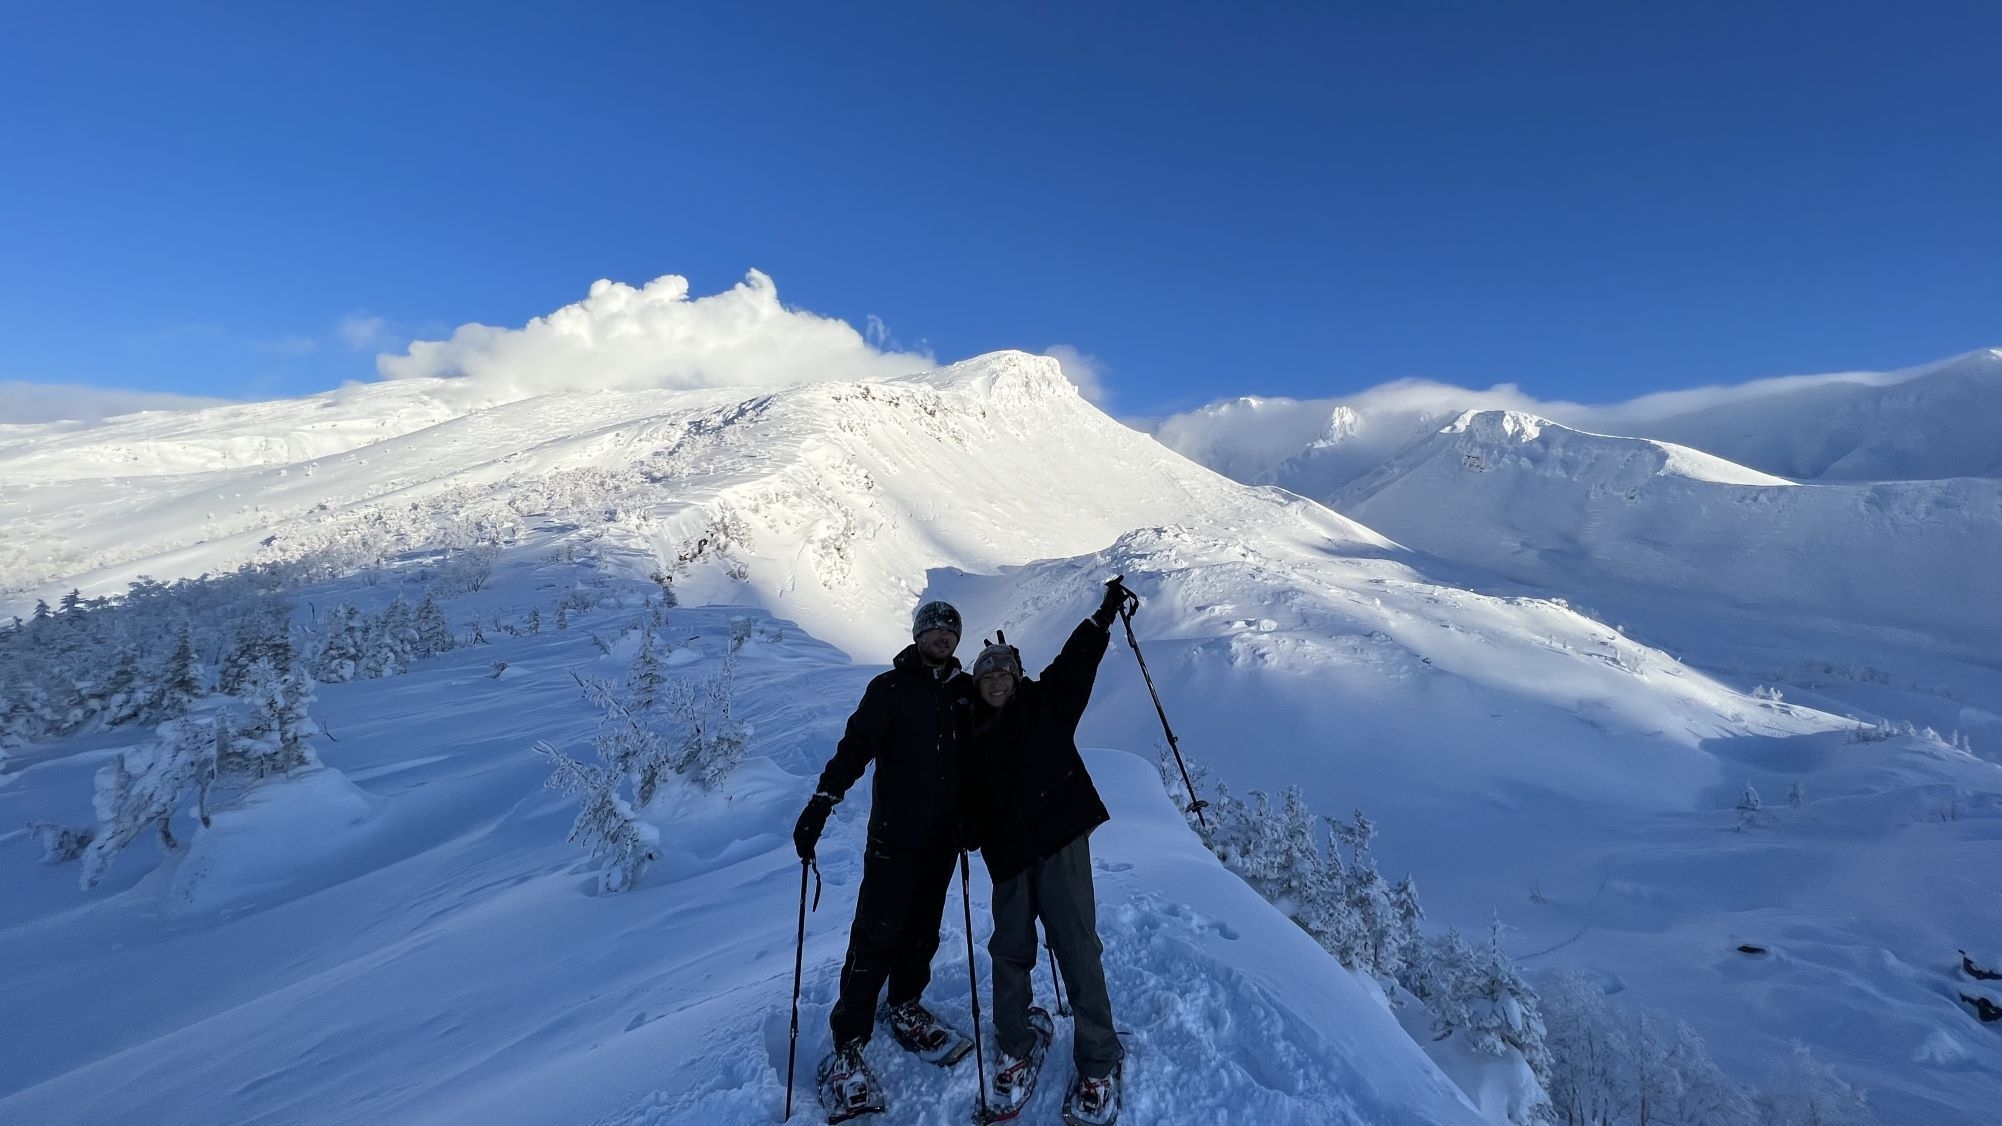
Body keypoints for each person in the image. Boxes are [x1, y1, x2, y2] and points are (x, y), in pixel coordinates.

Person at [793, 599, 978, 1120]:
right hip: (894, 840)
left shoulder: (965, 693)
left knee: (923, 931)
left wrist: (974, 815)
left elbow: (984, 755)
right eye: (935, 629)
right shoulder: (890, 689)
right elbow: (854, 749)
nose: (943, 637)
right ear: (918, 635)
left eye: (951, 631)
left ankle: (905, 1005)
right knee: (876, 935)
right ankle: (848, 1043)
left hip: (942, 842)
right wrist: (821, 802)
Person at [965, 578, 1131, 1125]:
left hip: (1060, 842)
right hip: (1010, 856)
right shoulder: (969, 734)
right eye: (986, 675)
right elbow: (962, 797)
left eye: (1003, 673)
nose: (996, 681)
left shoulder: (1046, 703)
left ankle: (1099, 1059)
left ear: (1016, 677)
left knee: (1076, 947)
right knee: (1009, 951)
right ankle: (1016, 1044)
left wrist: (1102, 617)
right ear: (977, 684)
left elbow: (1077, 662)